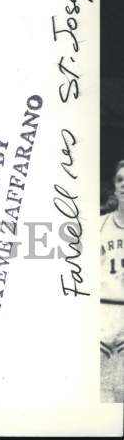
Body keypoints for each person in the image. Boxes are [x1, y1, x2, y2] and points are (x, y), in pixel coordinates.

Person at [100, 159, 124, 402]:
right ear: (114, 188)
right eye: (120, 180)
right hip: (103, 318)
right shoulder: (99, 226)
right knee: (103, 396)